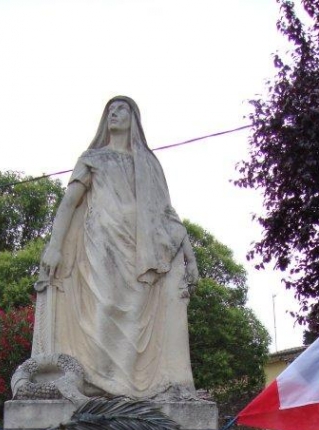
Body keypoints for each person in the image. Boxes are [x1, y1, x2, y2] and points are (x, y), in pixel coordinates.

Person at [32, 96, 198, 399]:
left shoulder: (148, 163)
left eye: (121, 109)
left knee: (135, 317)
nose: (115, 114)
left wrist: (189, 254)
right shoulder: (93, 158)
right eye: (110, 110)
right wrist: (54, 247)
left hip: (141, 251)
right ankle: (98, 383)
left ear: (134, 118)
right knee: (104, 308)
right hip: (100, 244)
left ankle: (129, 391)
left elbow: (167, 214)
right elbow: (69, 203)